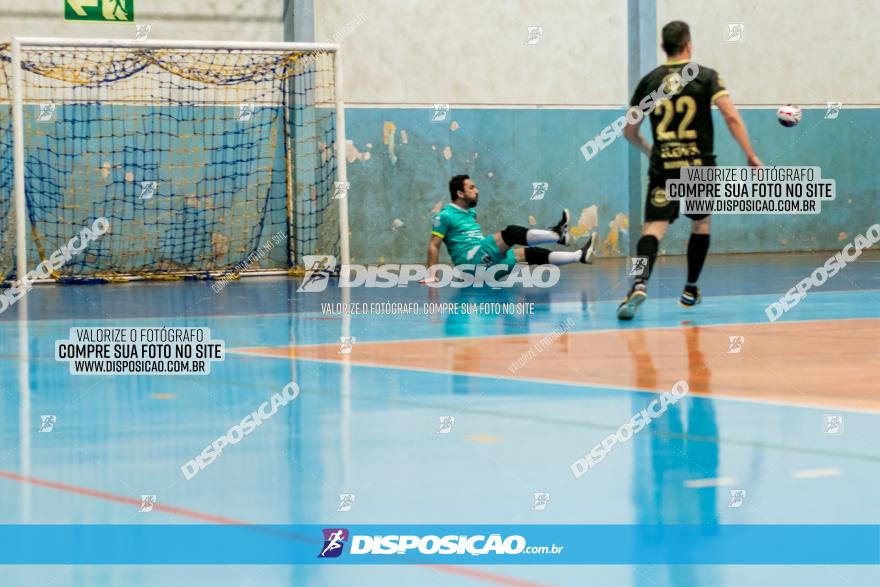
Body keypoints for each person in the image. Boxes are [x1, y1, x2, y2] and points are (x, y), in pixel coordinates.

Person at [617, 20, 762, 320]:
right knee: (701, 225)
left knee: (651, 232)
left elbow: (629, 131)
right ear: (688, 45)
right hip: (699, 167)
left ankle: (638, 284)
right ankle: (690, 288)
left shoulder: (649, 81)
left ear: (662, 47)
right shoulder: (706, 77)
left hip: (663, 167)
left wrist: (651, 151)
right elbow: (730, 116)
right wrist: (750, 155)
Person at [423, 175, 595, 283]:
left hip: (488, 268)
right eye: (472, 188)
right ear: (460, 193)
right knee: (511, 233)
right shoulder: (444, 216)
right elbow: (434, 245)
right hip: (471, 262)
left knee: (530, 254)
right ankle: (558, 235)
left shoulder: (470, 212)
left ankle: (579, 255)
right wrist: (432, 274)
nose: (477, 190)